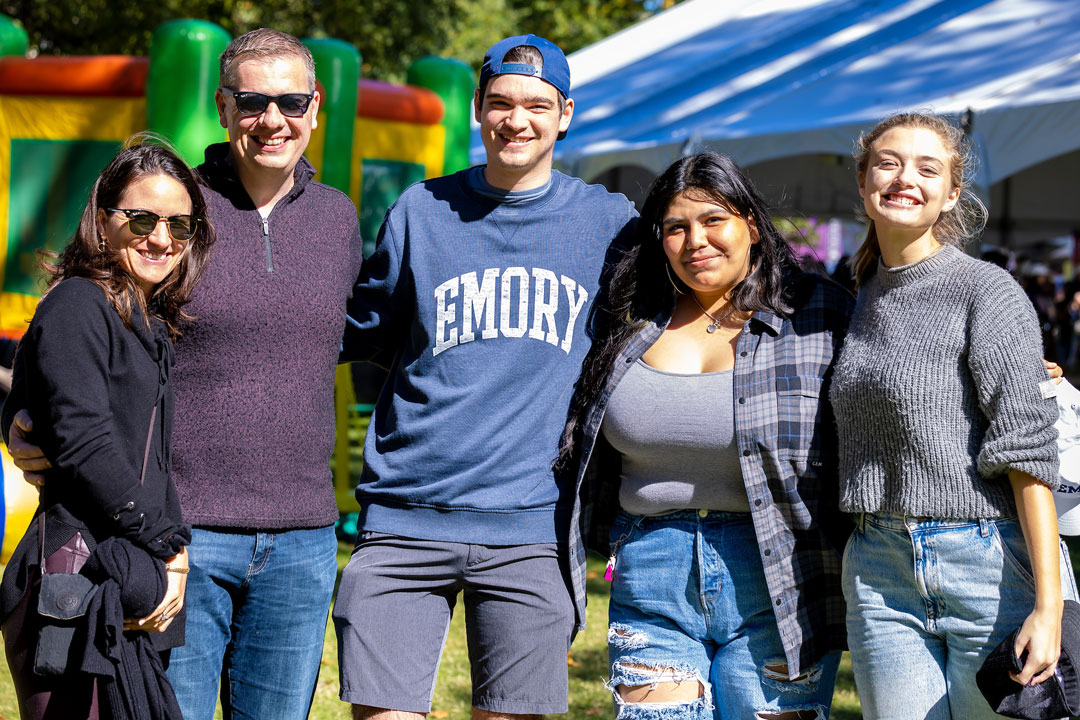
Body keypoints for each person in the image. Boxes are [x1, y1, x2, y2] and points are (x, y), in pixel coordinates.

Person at [6, 28, 364, 719]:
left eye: (291, 101)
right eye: (252, 101)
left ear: (316, 106)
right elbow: (78, 328)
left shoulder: (338, 219)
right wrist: (22, 417)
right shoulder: (171, 216)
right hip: (179, 538)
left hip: (303, 542)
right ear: (223, 107)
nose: (273, 120)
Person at [334, 34, 636, 720]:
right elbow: (359, 331)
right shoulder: (420, 210)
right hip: (406, 514)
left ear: (565, 114)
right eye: (500, 103)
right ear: (477, 109)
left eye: (536, 104)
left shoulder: (610, 224)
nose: (516, 119)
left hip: (530, 523)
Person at [554, 152, 854, 720]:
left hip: (780, 575)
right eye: (676, 227)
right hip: (650, 569)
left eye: (714, 220)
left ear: (752, 227)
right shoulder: (627, 319)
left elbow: (886, 380)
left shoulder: (814, 311)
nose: (696, 240)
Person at [829, 111, 1076, 719]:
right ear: (862, 183)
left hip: (987, 564)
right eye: (887, 162)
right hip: (876, 569)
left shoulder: (985, 291)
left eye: (927, 167)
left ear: (951, 193)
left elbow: (1027, 457)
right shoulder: (851, 296)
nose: (904, 178)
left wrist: (1051, 608)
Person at [0, 139, 215, 719]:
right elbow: (84, 440)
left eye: (180, 224)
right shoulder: (78, 302)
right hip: (72, 582)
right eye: (141, 219)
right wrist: (171, 547)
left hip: (118, 577)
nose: (162, 239)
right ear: (102, 220)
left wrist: (169, 560)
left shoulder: (145, 318)